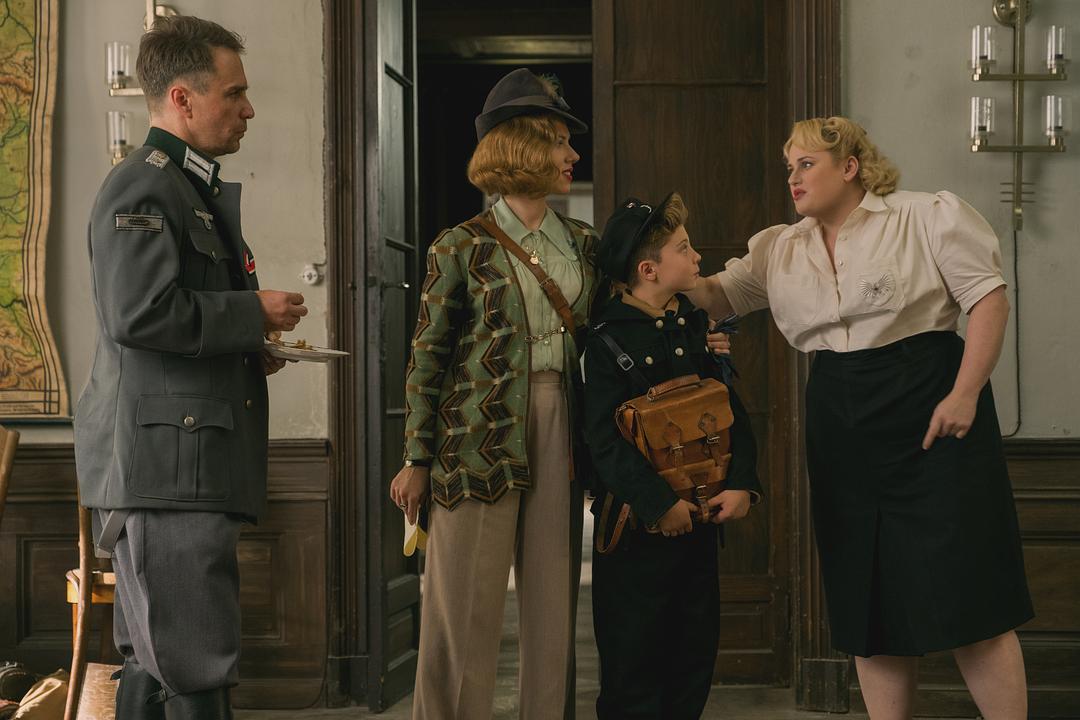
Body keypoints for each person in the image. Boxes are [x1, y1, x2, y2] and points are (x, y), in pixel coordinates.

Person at [690, 116, 1033, 720]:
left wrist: (966, 392)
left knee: (971, 593)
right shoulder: (780, 247)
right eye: (788, 167)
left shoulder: (925, 216)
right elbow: (717, 296)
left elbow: (989, 299)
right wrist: (654, 260)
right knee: (867, 596)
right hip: (840, 416)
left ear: (850, 167)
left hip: (933, 405)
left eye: (806, 164)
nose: (793, 178)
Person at [74, 16, 307, 719]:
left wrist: (246, 344)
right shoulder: (144, 187)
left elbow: (169, 321)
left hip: (180, 462)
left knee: (158, 662)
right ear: (182, 98)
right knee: (192, 658)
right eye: (233, 93)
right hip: (167, 468)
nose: (248, 109)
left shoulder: (185, 186)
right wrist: (250, 313)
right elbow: (138, 314)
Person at [390, 67, 596, 720]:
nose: (573, 154)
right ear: (524, 147)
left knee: (553, 605)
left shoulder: (584, 246)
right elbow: (426, 359)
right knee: (462, 610)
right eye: (559, 141)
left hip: (561, 419)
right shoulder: (460, 246)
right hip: (474, 437)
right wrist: (416, 456)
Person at [584, 193, 762, 719]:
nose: (697, 256)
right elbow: (602, 439)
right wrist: (658, 504)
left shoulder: (694, 327)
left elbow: (730, 412)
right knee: (633, 660)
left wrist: (742, 482)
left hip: (700, 520)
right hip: (636, 528)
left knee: (692, 655)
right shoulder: (604, 340)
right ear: (649, 270)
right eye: (684, 248)